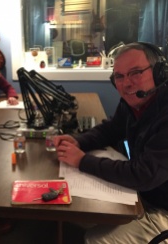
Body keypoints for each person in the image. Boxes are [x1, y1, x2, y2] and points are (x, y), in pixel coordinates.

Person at [54, 42, 168, 243]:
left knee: (94, 239)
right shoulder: (134, 101)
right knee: (77, 211)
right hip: (144, 192)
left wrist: (82, 161)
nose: (126, 84)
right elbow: (110, 129)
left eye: (136, 73)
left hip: (162, 208)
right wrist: (78, 142)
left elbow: (143, 174)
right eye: (119, 76)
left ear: (160, 73)